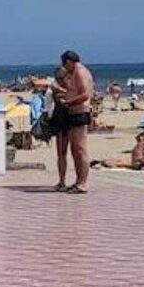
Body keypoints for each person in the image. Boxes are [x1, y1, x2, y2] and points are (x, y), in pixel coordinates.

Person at [59, 50, 94, 193]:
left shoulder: (80, 71)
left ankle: (83, 183)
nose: (63, 67)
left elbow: (85, 94)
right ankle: (78, 180)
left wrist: (68, 102)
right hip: (73, 112)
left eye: (64, 64)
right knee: (74, 149)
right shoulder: (72, 73)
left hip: (80, 112)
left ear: (69, 61)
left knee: (80, 148)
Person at [48, 67, 71, 191]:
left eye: (61, 78)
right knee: (61, 153)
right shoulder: (56, 88)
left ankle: (64, 181)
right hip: (60, 119)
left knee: (66, 152)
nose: (60, 81)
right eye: (58, 79)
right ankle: (62, 180)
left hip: (66, 120)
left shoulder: (64, 88)